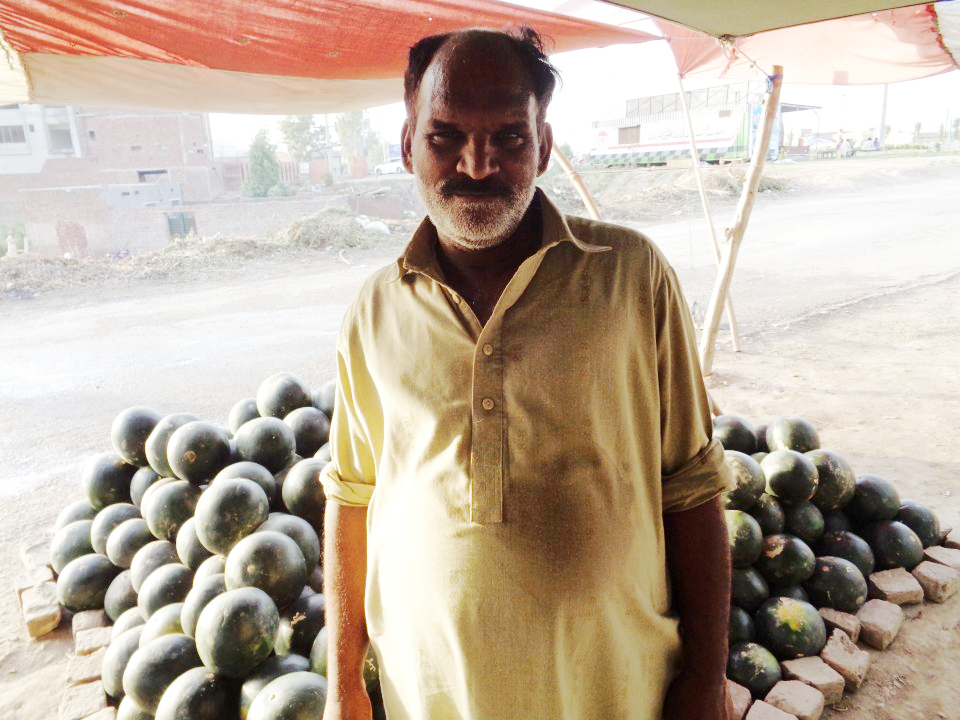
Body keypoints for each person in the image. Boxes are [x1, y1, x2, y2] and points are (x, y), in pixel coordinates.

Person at [321, 27, 733, 720]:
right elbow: (352, 497)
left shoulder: (630, 276)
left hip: (614, 690)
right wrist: (343, 684)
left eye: (508, 137)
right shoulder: (376, 307)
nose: (477, 165)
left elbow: (691, 487)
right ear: (408, 144)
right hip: (430, 695)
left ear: (543, 146)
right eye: (445, 135)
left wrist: (706, 678)